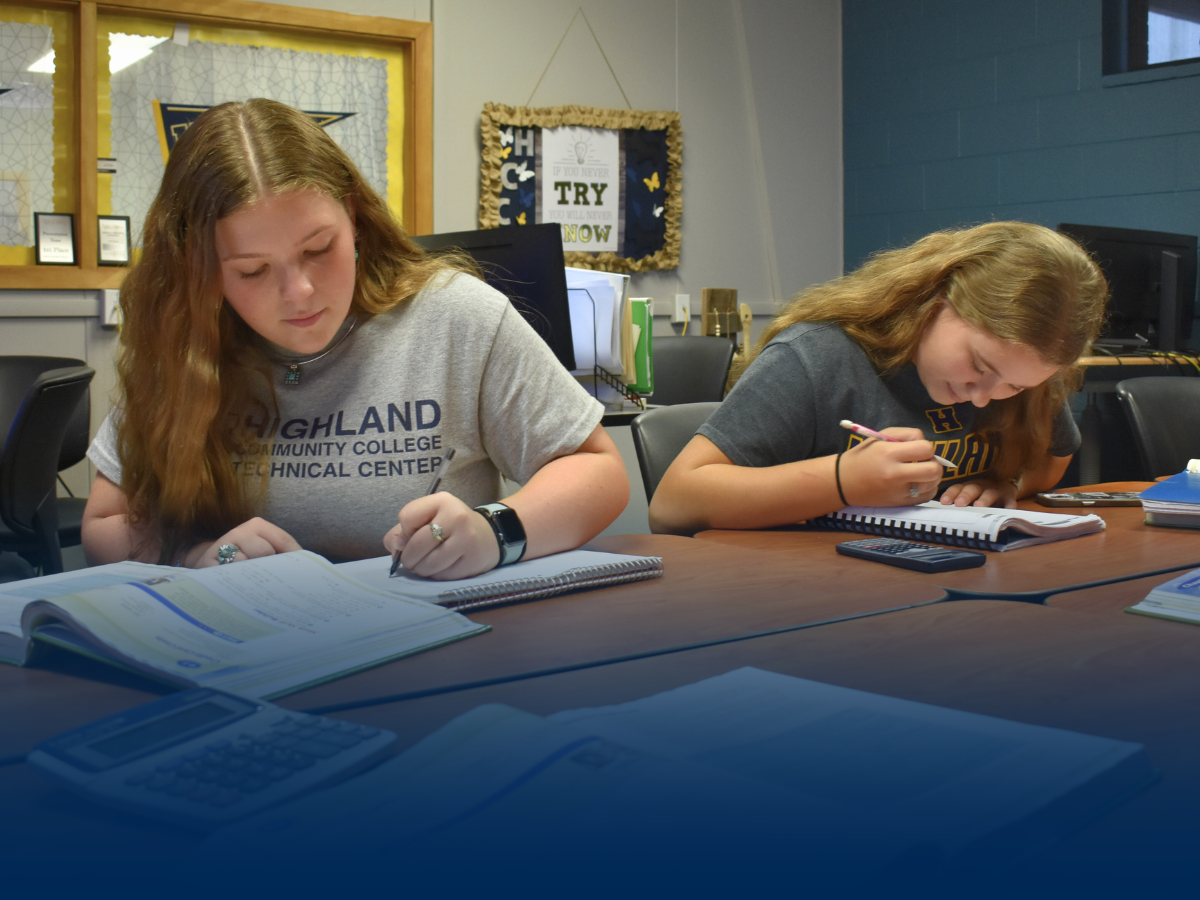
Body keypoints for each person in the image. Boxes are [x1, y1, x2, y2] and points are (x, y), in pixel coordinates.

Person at [82, 99, 628, 577]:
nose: (298, 292)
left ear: (354, 215)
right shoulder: (183, 340)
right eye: (251, 271)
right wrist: (197, 559)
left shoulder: (456, 318)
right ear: (200, 270)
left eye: (319, 249)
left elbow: (598, 471)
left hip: (430, 649)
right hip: (241, 656)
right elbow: (105, 522)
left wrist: (497, 531)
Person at [649, 221, 1107, 535]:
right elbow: (672, 504)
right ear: (938, 298)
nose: (985, 398)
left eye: (1014, 388)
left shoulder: (1022, 360)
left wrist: (1009, 484)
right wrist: (842, 481)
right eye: (979, 367)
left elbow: (1053, 458)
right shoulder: (817, 357)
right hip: (807, 596)